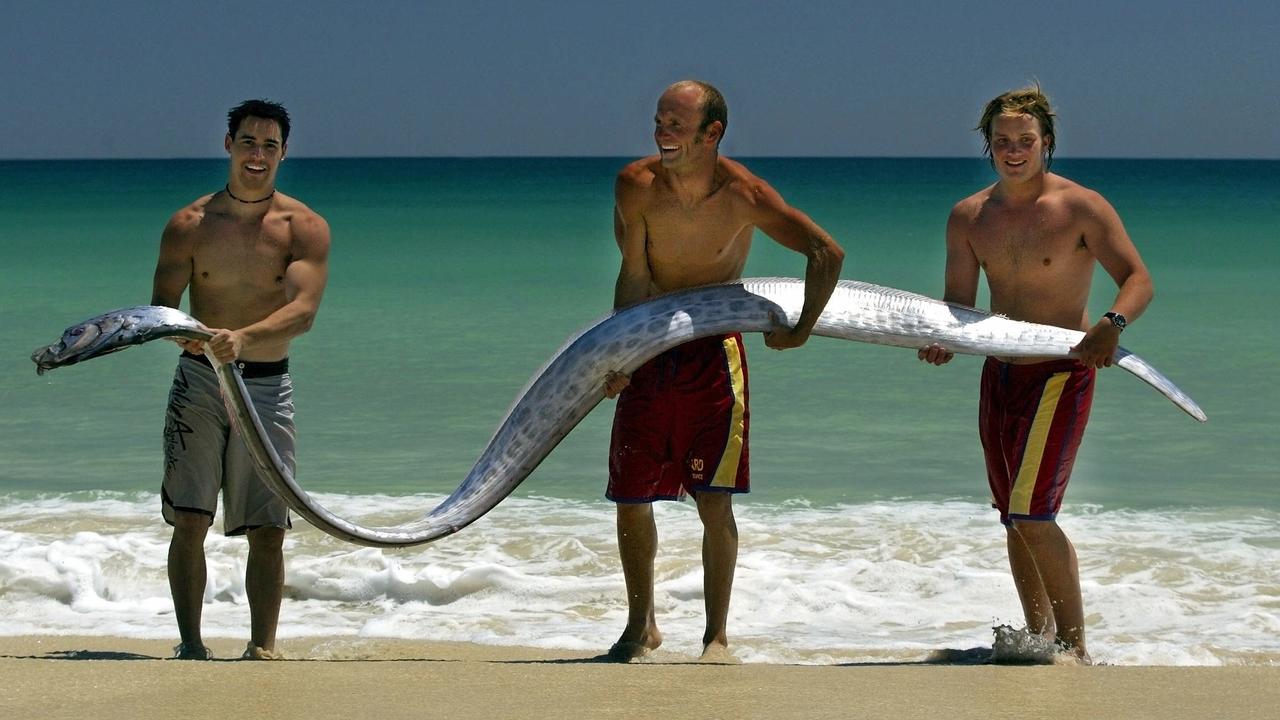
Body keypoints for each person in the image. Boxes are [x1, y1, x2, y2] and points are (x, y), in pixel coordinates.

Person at [603, 80, 845, 661]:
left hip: (714, 354)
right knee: (631, 495)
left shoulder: (744, 195)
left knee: (714, 500)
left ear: (713, 133)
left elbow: (826, 253)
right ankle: (642, 626)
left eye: (676, 123)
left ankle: (716, 637)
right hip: (649, 347)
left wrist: (802, 329)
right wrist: (616, 355)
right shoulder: (635, 186)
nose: (662, 131)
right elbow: (635, 275)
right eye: (659, 119)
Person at [918, 86, 1153, 664]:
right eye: (1002, 141)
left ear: (1046, 143)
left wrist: (1111, 323)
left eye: (1025, 141)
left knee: (1033, 512)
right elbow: (960, 306)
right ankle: (1038, 640)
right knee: (1013, 518)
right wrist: (944, 340)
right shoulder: (969, 216)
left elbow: (1138, 279)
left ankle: (1074, 648)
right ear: (988, 147)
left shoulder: (1080, 207)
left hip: (1062, 371)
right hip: (1000, 374)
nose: (1014, 150)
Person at [151, 99, 331, 660]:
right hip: (200, 381)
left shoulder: (303, 226)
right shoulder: (188, 225)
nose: (258, 155)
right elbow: (162, 306)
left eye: (269, 145)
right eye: (248, 142)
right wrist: (178, 332)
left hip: (267, 384)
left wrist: (243, 339)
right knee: (189, 517)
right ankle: (191, 645)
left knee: (268, 527)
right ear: (228, 145)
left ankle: (262, 648)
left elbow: (304, 311)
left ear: (283, 152)